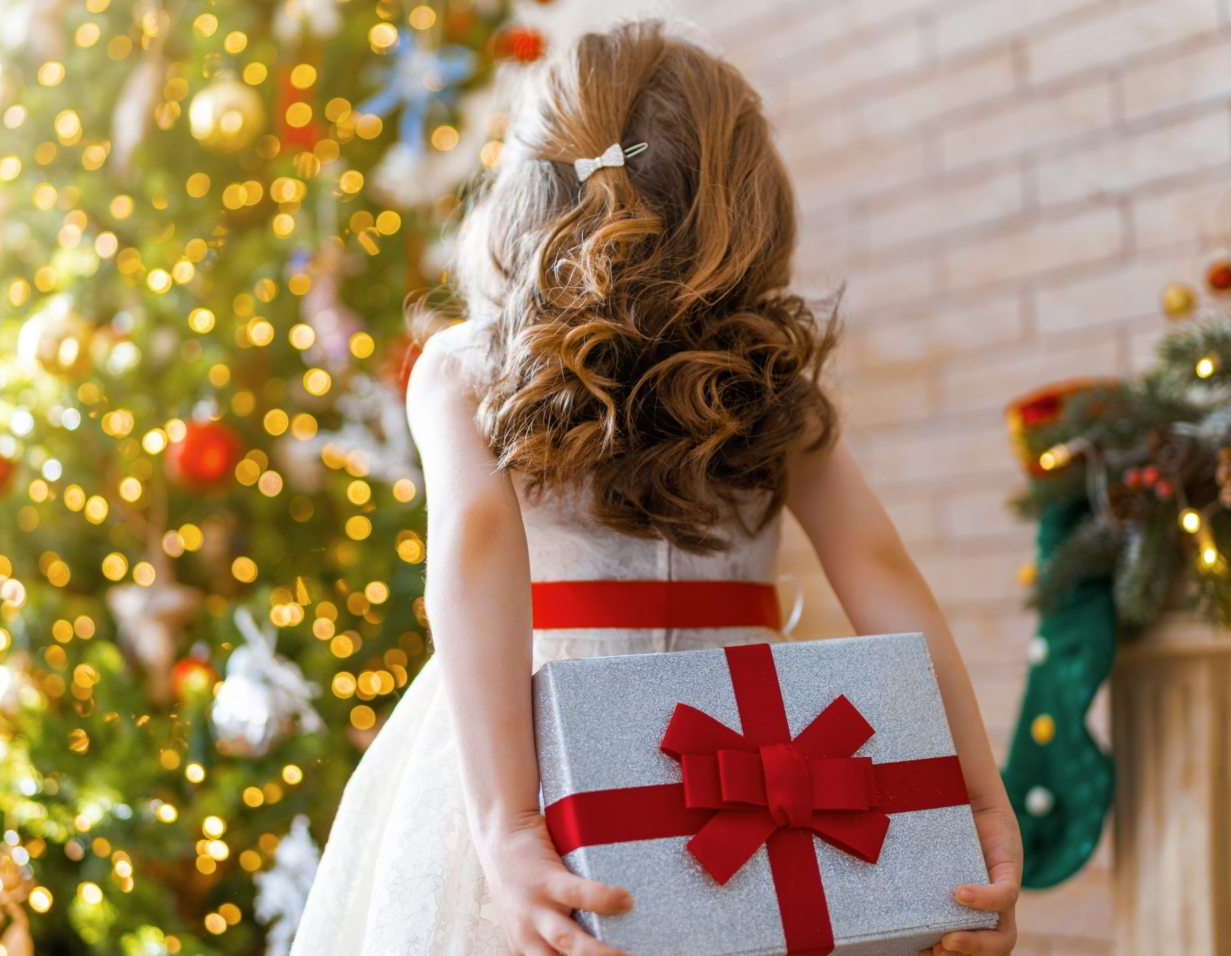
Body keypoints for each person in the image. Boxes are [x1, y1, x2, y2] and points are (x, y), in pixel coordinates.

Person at [290, 20, 1020, 956]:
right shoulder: (768, 381)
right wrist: (976, 797)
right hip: (751, 760)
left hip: (531, 745)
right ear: (750, 205)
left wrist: (511, 826)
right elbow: (880, 572)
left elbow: (474, 556)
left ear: (526, 187)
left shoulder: (466, 367)